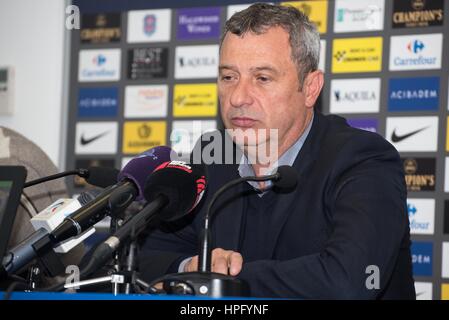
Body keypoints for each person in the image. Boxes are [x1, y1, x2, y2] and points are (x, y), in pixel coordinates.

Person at [139, 3, 415, 299]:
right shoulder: (213, 154)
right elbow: (142, 259)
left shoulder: (362, 159)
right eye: (229, 77)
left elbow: (350, 280)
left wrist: (216, 280)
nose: (238, 97)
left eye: (262, 78)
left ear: (310, 88)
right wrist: (190, 264)